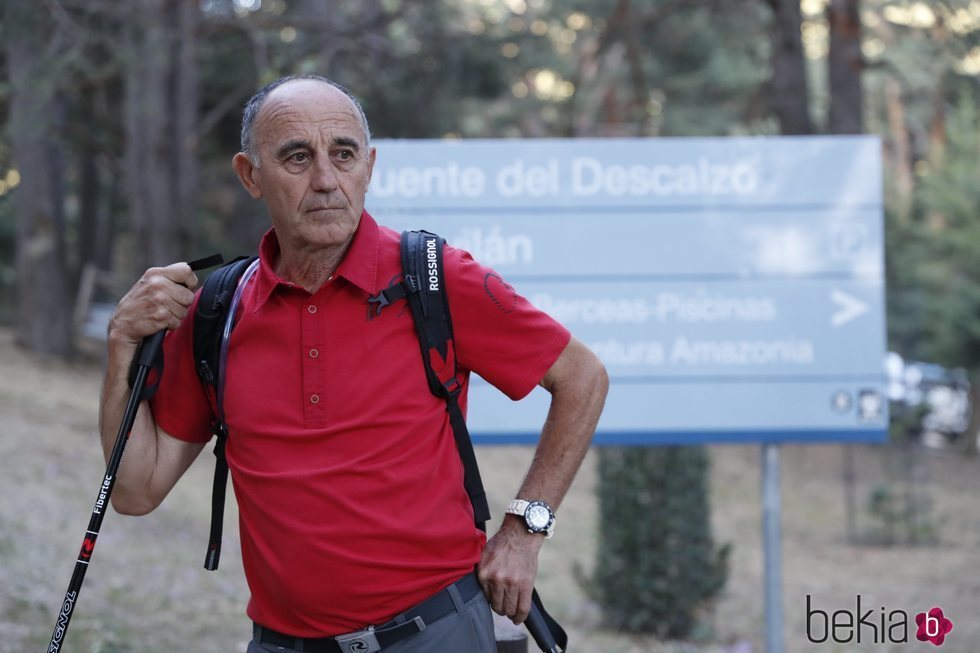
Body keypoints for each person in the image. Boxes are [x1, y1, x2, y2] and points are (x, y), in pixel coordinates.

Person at [101, 74, 608, 653]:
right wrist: (122, 340)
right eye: (296, 157)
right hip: (283, 644)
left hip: (436, 634)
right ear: (250, 176)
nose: (325, 180)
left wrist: (524, 530)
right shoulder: (218, 311)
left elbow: (582, 376)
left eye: (343, 155)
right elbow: (135, 490)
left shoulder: (435, 279)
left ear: (368, 166)